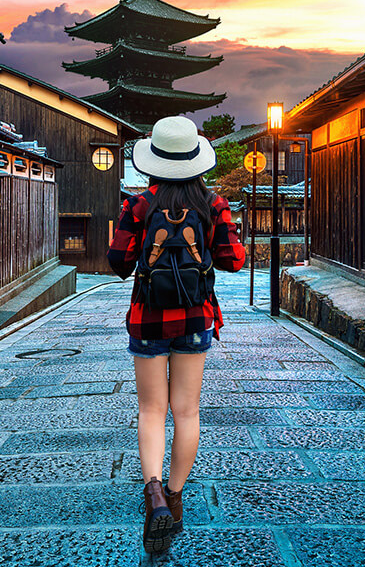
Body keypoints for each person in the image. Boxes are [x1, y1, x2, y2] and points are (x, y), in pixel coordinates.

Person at [107, 115, 246, 555]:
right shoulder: (213, 203)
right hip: (194, 318)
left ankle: (153, 498)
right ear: (195, 161)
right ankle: (177, 497)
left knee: (151, 410)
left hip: (148, 318)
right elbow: (235, 260)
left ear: (155, 161)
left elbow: (117, 261)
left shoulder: (138, 205)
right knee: (186, 412)